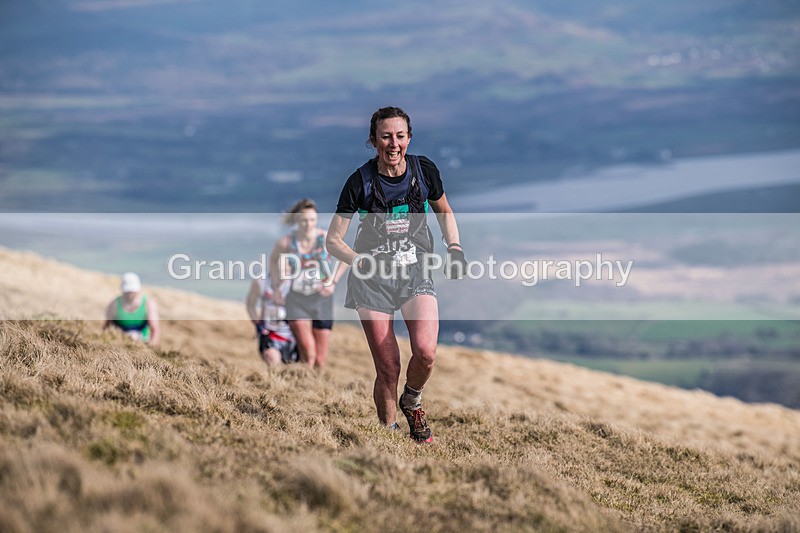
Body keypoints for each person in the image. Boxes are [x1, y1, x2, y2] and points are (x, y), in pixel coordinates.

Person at [326, 106, 467, 443]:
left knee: (426, 352)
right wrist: (358, 260)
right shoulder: (359, 182)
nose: (393, 144)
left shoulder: (424, 171)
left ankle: (412, 400)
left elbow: (444, 211)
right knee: (388, 367)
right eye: (386, 137)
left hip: (415, 274)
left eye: (400, 136)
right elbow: (333, 240)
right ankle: (389, 438)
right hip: (371, 282)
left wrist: (454, 247)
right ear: (373, 140)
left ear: (409, 138)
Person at [269, 198, 346, 369]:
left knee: (320, 359)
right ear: (297, 220)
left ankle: (316, 384)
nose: (308, 224)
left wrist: (332, 282)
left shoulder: (326, 239)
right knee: (308, 353)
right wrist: (276, 286)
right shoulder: (286, 242)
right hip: (296, 299)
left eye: (312, 219)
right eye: (304, 220)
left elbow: (346, 258)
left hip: (322, 299)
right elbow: (273, 260)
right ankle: (303, 382)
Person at [245, 274, 299, 365]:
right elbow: (250, 305)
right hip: (271, 336)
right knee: (274, 364)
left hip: (294, 336)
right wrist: (259, 325)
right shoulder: (262, 281)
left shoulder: (297, 282)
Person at [103, 272, 161, 346]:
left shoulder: (148, 304)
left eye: (132, 291)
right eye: (127, 291)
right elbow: (106, 327)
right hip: (119, 344)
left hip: (142, 344)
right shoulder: (114, 304)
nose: (129, 294)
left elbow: (155, 330)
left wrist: (151, 347)